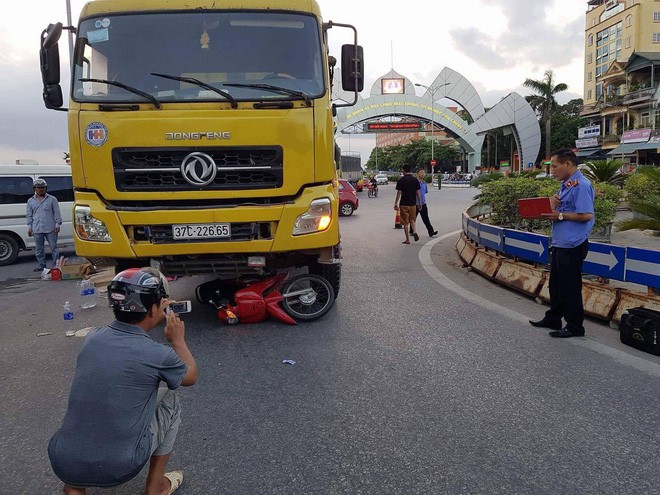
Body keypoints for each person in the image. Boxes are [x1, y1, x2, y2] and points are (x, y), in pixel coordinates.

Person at [48, 267, 198, 495]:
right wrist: (177, 340)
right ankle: (156, 486)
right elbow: (190, 376)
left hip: (62, 461)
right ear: (153, 310)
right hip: (121, 466)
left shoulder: (92, 338)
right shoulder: (158, 354)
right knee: (171, 400)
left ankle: (74, 488)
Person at [529, 148, 595, 338]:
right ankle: (553, 317)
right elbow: (562, 209)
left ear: (568, 164)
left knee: (570, 287)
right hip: (561, 242)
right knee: (556, 284)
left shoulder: (581, 185)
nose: (552, 171)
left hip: (573, 244)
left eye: (555, 166)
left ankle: (575, 326)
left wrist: (559, 215)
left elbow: (586, 215)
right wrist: (552, 203)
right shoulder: (567, 184)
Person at [26, 178, 62, 272]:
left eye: (43, 187)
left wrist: (57, 224)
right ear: (34, 189)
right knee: (39, 250)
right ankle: (42, 265)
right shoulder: (30, 201)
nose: (41, 189)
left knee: (54, 248)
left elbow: (57, 213)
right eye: (38, 188)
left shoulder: (52, 199)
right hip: (37, 229)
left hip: (51, 228)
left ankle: (55, 266)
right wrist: (30, 227)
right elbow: (29, 215)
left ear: (46, 188)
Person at [394, 163, 422, 244]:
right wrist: (419, 202)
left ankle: (407, 239)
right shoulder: (415, 180)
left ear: (404, 170)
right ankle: (414, 231)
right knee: (412, 219)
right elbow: (417, 192)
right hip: (413, 203)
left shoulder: (401, 180)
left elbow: (399, 193)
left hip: (404, 204)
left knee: (405, 222)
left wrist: (395, 203)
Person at [411, 169, 438, 237]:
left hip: (423, 203)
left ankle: (431, 231)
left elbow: (425, 192)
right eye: (421, 172)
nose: (422, 174)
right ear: (417, 174)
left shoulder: (424, 183)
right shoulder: (414, 182)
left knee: (426, 218)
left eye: (423, 172)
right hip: (415, 203)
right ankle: (411, 231)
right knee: (413, 218)